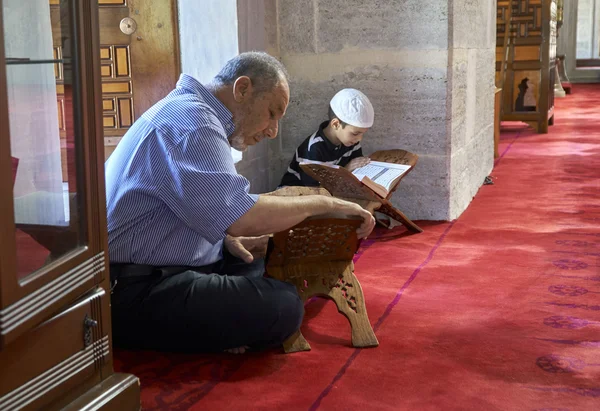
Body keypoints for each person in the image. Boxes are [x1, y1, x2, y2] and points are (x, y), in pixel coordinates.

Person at [105, 52, 375, 354]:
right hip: (134, 289)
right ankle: (222, 330)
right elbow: (242, 217)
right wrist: (324, 204)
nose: (273, 131)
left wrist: (225, 238)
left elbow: (207, 206)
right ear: (242, 89)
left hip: (164, 267)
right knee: (284, 306)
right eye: (272, 113)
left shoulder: (196, 114)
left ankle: (224, 327)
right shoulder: (193, 124)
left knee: (257, 258)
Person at [279, 88, 375, 187]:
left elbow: (358, 170)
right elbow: (315, 192)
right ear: (336, 124)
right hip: (297, 197)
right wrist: (345, 170)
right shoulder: (314, 149)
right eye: (355, 133)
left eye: (363, 133)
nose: (360, 139)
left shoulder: (351, 143)